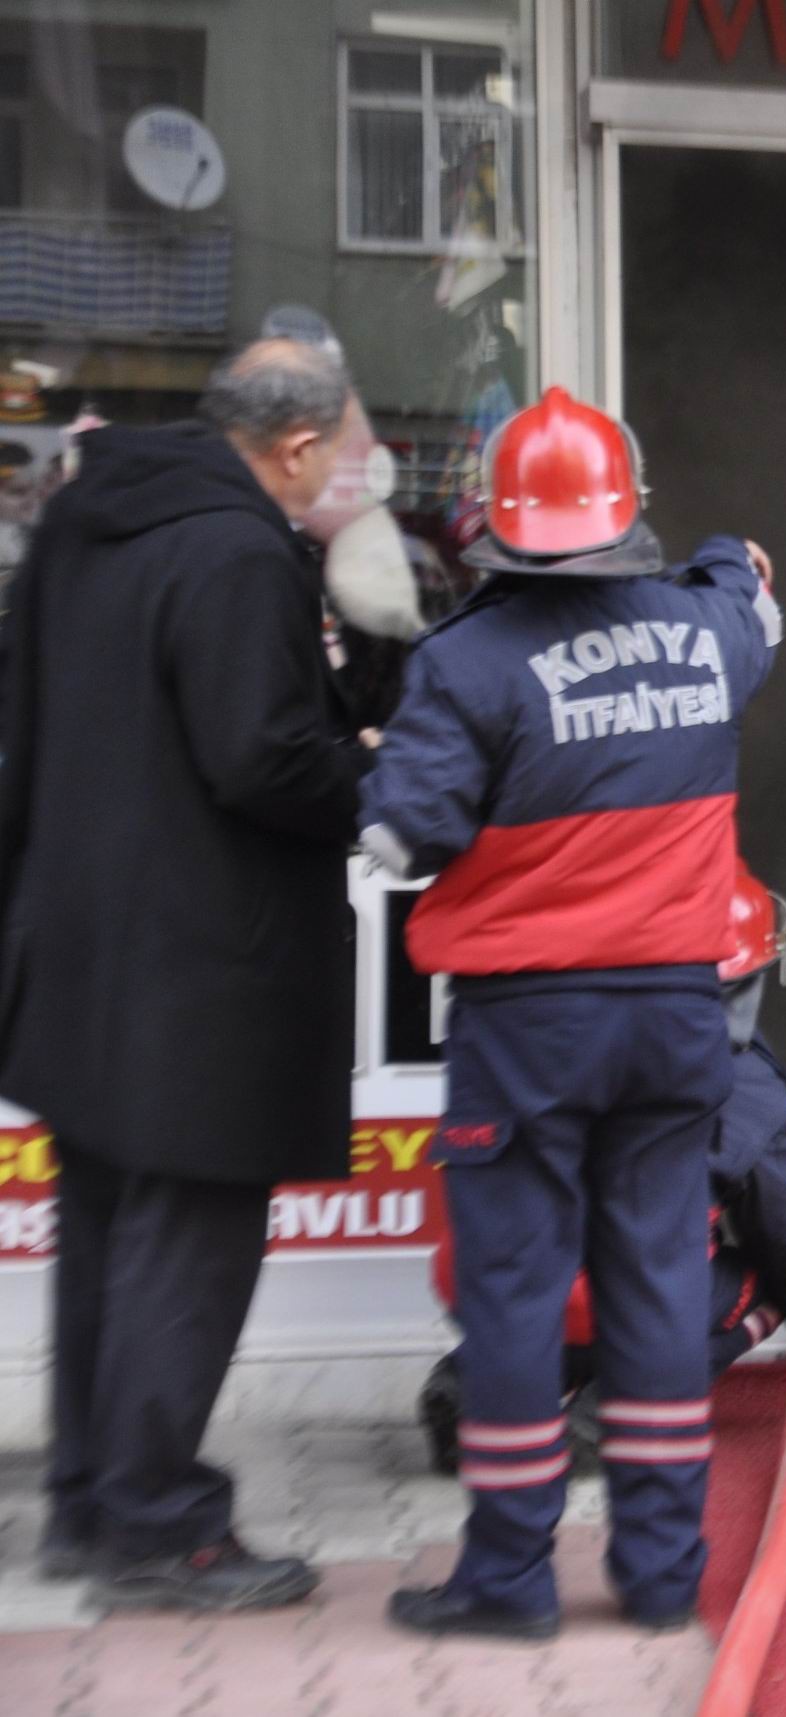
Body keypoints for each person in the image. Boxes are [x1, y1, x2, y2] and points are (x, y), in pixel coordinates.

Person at [359, 387, 780, 1640]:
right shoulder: (708, 632)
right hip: (674, 1017)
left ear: (496, 524)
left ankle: (507, 1578)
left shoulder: (464, 661)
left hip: (527, 1028)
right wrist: (723, 554)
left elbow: (402, 839)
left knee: (515, 1296)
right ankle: (660, 1574)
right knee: (658, 1283)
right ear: (627, 511)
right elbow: (751, 590)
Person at [0, 340, 366, 1611]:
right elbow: (262, 757)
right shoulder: (239, 552)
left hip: (79, 949)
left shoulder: (80, 524)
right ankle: (159, 1527)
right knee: (187, 1250)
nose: (348, 476)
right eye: (344, 452)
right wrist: (375, 774)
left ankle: (89, 1505)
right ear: (297, 445)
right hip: (205, 971)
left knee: (104, 1236)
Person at [415, 861, 786, 1475]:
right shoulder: (747, 1087)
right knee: (756, 1281)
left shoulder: (531, 1025)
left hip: (480, 1276)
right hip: (604, 1290)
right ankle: (613, 1414)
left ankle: (474, 1385)